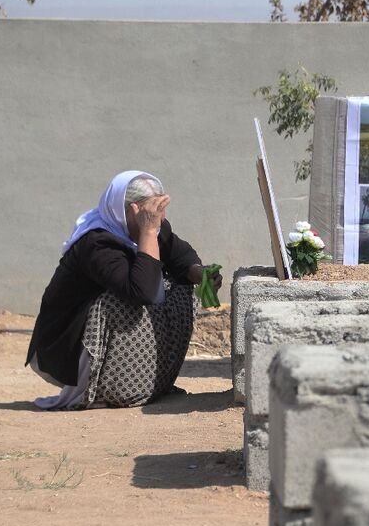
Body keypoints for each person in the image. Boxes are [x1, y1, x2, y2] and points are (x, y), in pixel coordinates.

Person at [25, 171, 222, 410]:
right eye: (152, 211)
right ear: (129, 210)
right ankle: (105, 390)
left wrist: (199, 273)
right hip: (69, 343)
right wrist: (147, 232)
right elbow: (143, 291)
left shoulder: (154, 227)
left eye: (160, 211)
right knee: (118, 303)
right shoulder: (97, 243)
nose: (158, 219)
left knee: (181, 291)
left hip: (108, 332)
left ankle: (152, 383)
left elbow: (180, 255)